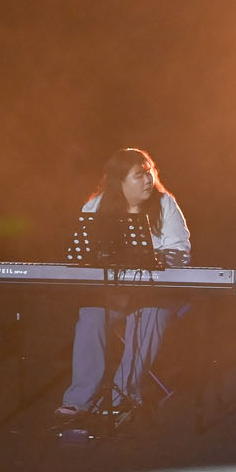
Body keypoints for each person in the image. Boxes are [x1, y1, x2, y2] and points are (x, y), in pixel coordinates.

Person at [61, 148, 192, 414]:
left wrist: (155, 258)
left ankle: (122, 398)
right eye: (139, 175)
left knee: (149, 316)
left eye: (150, 173)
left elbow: (181, 253)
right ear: (120, 181)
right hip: (114, 296)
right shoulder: (96, 206)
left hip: (155, 296)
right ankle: (78, 401)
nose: (148, 180)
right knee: (91, 317)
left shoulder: (165, 203)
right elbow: (85, 255)